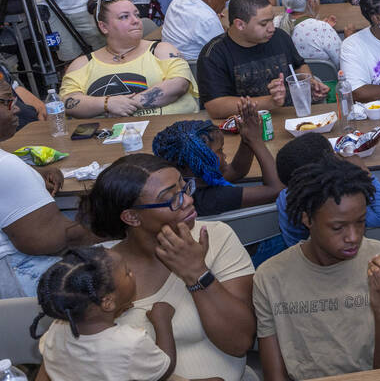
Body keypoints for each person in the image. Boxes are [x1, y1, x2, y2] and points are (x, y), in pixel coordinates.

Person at [79, 153, 257, 381]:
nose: (188, 200)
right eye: (171, 198)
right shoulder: (99, 272)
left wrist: (197, 274)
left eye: (184, 188)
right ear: (132, 217)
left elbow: (240, 342)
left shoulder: (215, 237)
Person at [254, 158, 380, 380]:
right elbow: (275, 376)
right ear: (307, 219)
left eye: (360, 222)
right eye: (338, 227)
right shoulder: (270, 277)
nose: (353, 237)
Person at [32, 247, 180, 381]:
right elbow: (164, 370)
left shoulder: (57, 327)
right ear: (107, 302)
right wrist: (162, 322)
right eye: (127, 273)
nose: (132, 273)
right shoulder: (131, 343)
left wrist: (118, 307)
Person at [61, 0, 199, 117]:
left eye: (137, 14)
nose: (136, 21)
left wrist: (127, 104)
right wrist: (107, 104)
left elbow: (179, 84)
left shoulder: (162, 50)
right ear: (104, 27)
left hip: (174, 130)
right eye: (124, 17)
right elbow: (67, 101)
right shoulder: (82, 64)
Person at [196, 0, 328, 119]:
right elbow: (215, 106)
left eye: (272, 20)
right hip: (246, 125)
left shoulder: (280, 37)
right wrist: (269, 102)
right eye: (264, 24)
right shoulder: (213, 54)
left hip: (290, 116)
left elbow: (299, 65)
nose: (271, 28)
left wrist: (308, 82)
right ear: (240, 24)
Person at [0, 141, 100, 298]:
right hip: (15, 272)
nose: (16, 114)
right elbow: (51, 239)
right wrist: (114, 231)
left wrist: (37, 172)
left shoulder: (7, 162)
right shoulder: (5, 164)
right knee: (122, 264)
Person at [152, 100, 283, 216]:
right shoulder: (212, 197)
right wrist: (256, 140)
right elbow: (277, 190)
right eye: (220, 150)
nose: (224, 155)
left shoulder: (195, 180)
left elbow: (237, 170)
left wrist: (247, 138)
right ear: (194, 164)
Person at [273, 133, 380, 248]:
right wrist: (364, 173)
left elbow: (292, 244)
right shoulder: (339, 203)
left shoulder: (285, 199)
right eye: (334, 155)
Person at [161, 0, 228, 61]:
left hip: (168, 63)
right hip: (196, 70)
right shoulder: (208, 19)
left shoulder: (175, 3)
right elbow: (225, 53)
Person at [275, 0, 344, 65]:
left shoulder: (275, 23)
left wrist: (320, 26)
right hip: (321, 78)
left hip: (289, 78)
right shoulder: (322, 28)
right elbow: (342, 62)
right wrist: (349, 37)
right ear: (310, 0)